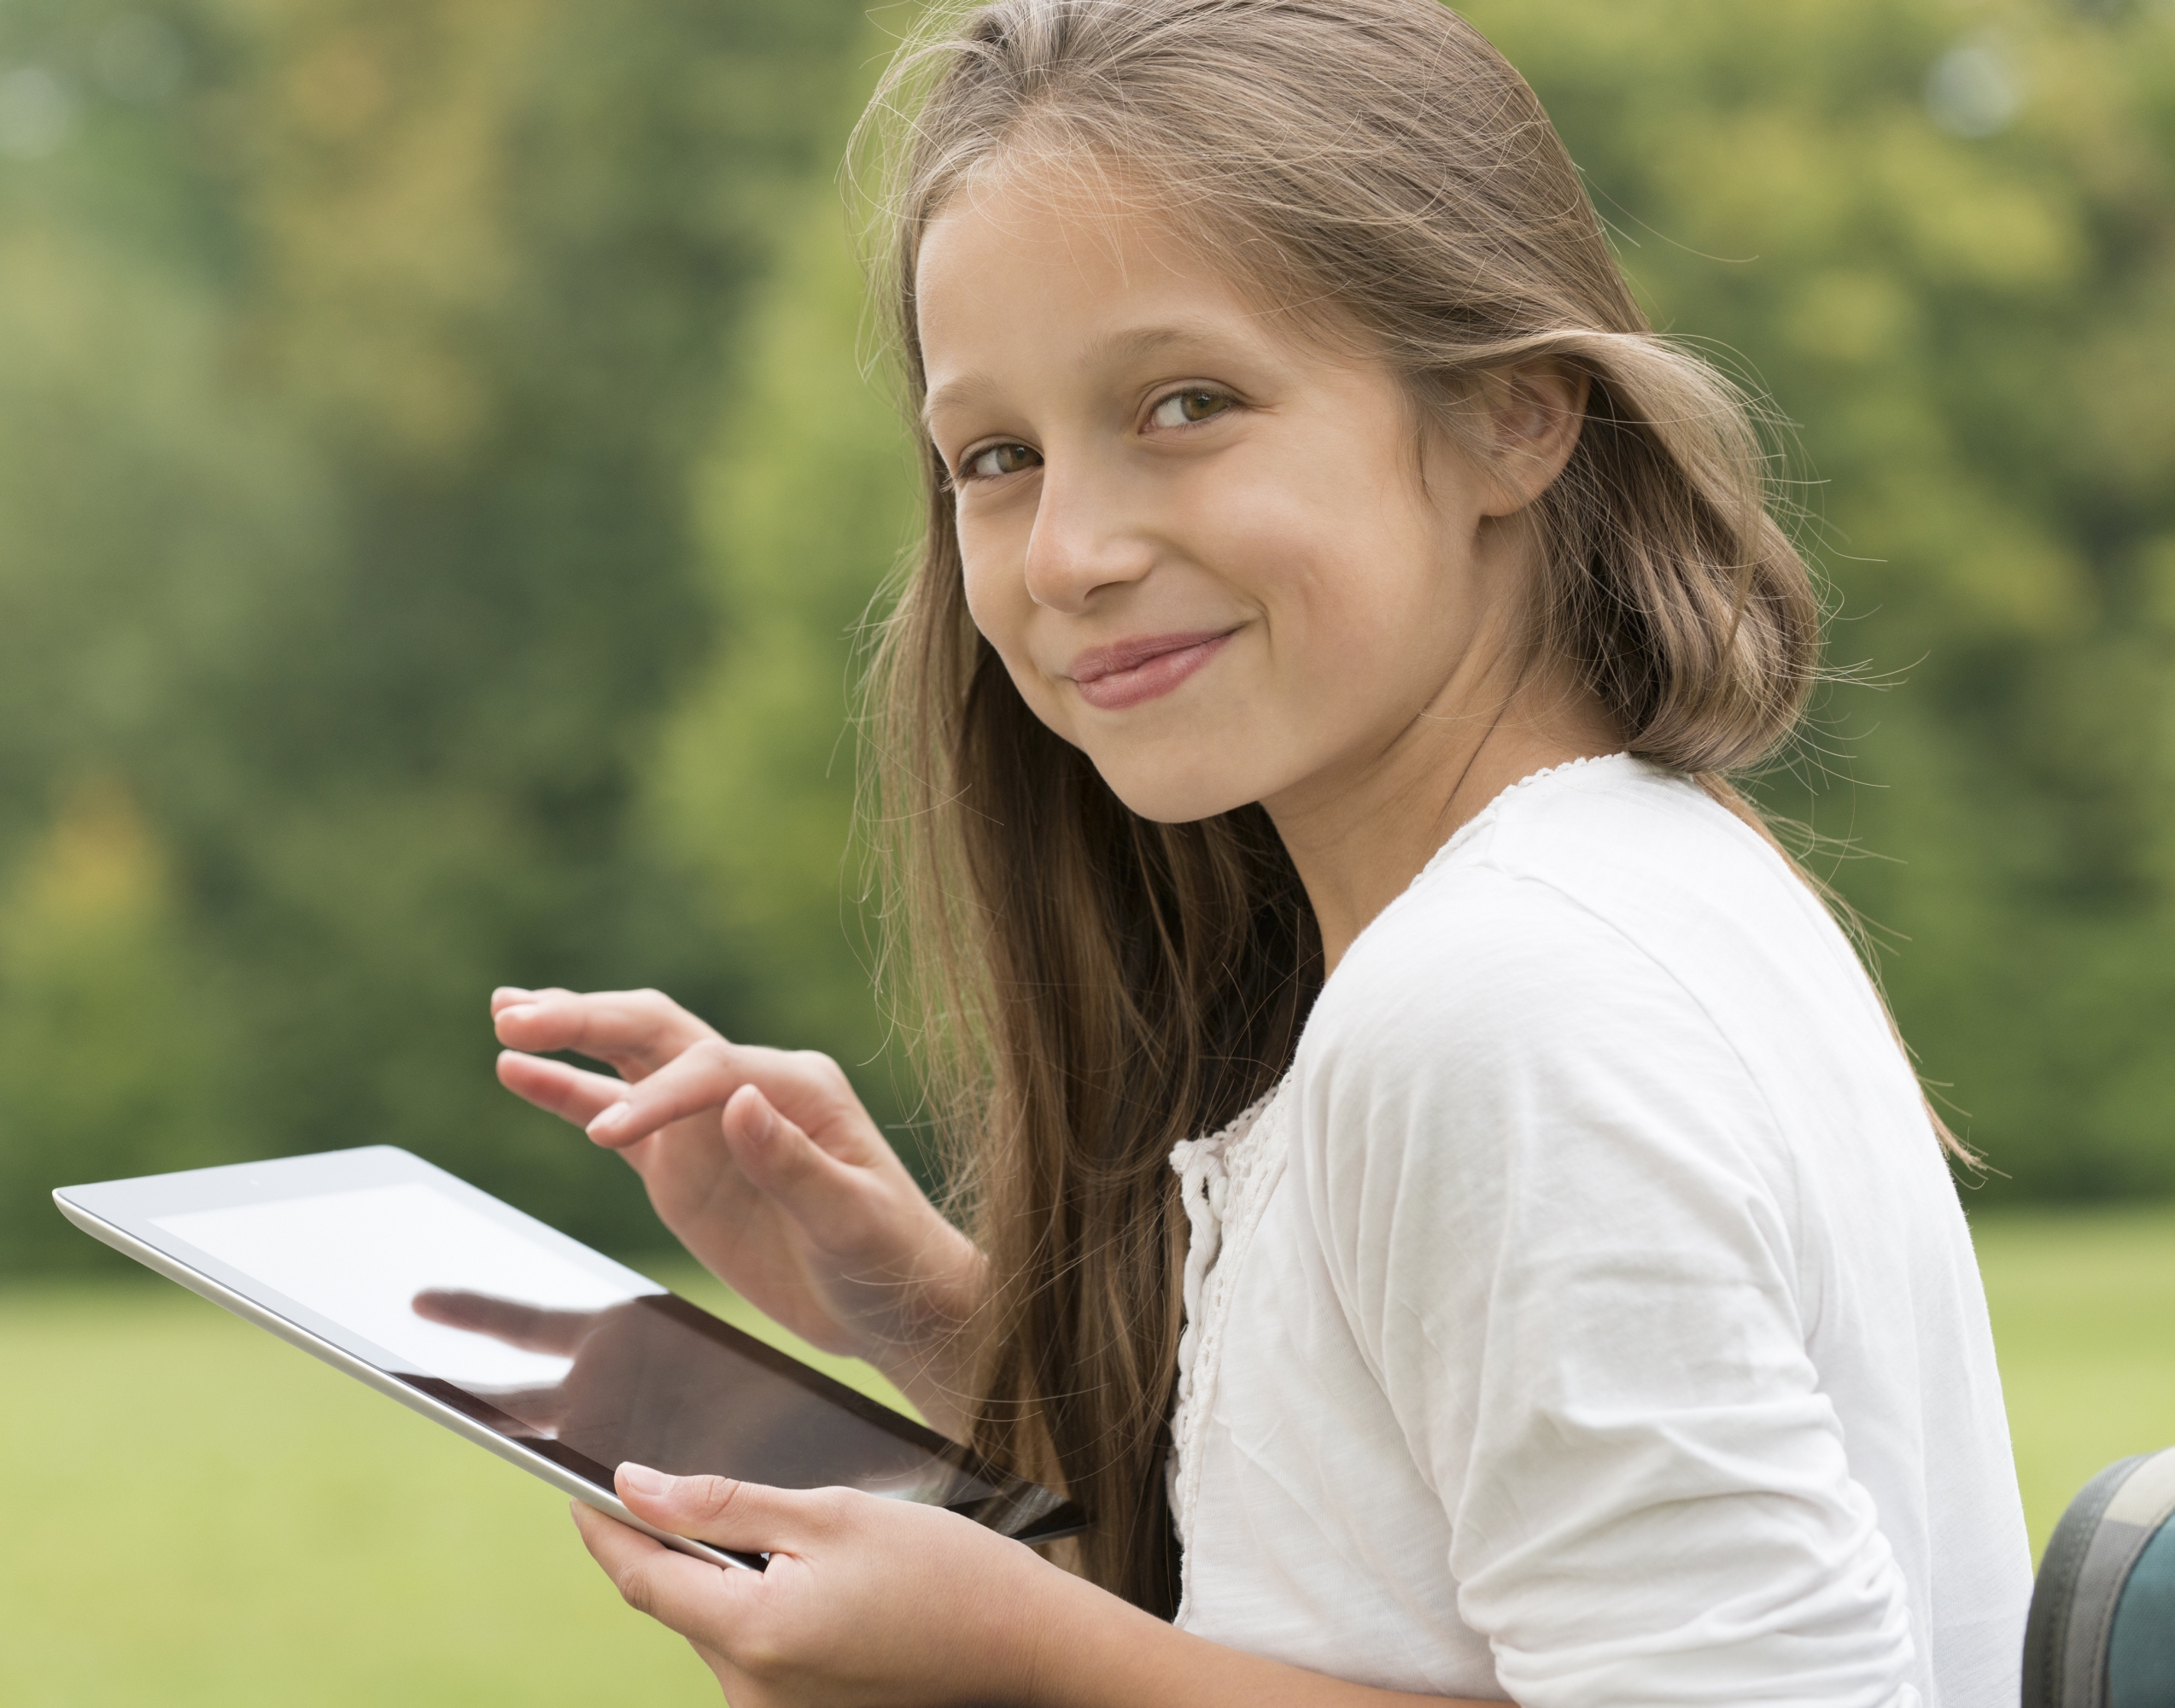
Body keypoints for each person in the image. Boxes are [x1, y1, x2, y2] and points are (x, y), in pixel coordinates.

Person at [487, 2, 2033, 1702]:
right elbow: (1393, 1560)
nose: (1065, 551)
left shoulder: (1497, 1008)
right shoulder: (1643, 883)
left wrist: (1026, 1666)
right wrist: (925, 1318)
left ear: (1511, 418)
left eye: (1184, 403)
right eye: (992, 458)